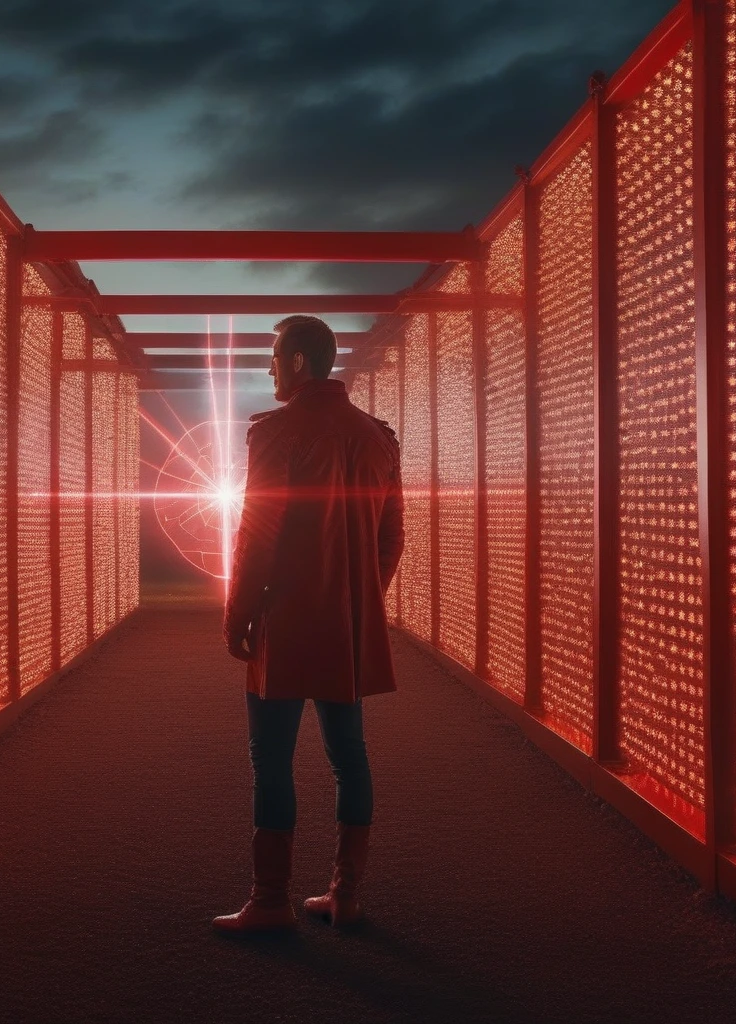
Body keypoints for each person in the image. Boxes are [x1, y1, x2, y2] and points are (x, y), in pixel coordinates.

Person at [211, 314, 405, 934]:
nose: (268, 368)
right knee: (350, 754)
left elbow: (259, 533)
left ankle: (270, 902)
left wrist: (238, 613)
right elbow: (390, 539)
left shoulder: (274, 432)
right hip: (344, 628)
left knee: (271, 758)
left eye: (273, 356)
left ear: (297, 362)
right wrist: (358, 599)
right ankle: (346, 895)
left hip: (287, 621)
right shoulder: (380, 437)